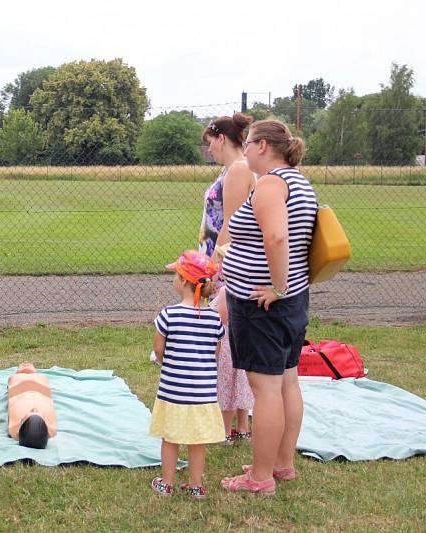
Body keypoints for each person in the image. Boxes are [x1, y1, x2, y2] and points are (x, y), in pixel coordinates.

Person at [220, 119, 317, 496]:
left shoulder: (272, 185)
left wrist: (278, 286)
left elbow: (277, 237)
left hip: (265, 305)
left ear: (262, 147)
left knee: (266, 389)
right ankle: (281, 463)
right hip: (290, 303)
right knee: (287, 380)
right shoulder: (299, 183)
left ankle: (259, 478)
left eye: (248, 144)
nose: (244, 150)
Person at [149, 250, 226, 499]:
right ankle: (195, 486)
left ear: (183, 281)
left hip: (173, 391)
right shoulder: (214, 318)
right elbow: (216, 350)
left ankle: (167, 483)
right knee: (197, 440)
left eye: (176, 273)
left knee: (170, 438)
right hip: (203, 394)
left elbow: (158, 349)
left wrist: (163, 360)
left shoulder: (168, 315)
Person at [200, 113, 256, 444]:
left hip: (225, 267)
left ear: (221, 138)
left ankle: (231, 423)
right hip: (217, 261)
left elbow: (230, 226)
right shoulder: (230, 169)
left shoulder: (237, 170)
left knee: (225, 343)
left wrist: (212, 268)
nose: (209, 150)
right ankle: (238, 422)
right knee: (230, 340)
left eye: (210, 144)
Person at [7, 362, 57, 449]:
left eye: (32, 411)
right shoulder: (51, 429)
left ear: (21, 422)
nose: (26, 363)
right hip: (40, 387)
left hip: (19, 385)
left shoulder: (14, 428)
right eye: (36, 411)